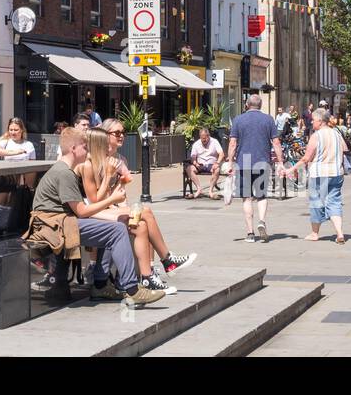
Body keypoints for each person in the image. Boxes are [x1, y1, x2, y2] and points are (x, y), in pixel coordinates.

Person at [25, 125, 166, 307]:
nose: (88, 150)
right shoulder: (64, 173)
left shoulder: (63, 170)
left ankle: (101, 284)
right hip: (54, 227)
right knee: (115, 230)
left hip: (60, 222)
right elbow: (82, 211)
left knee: (116, 225)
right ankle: (132, 290)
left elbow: (81, 210)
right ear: (74, 149)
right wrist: (113, 199)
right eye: (85, 146)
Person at [283, 109, 347, 244]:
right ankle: (340, 233)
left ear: (320, 121)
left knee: (316, 203)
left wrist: (292, 169)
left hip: (320, 174)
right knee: (334, 202)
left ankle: (314, 233)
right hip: (336, 172)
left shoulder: (316, 136)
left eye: (313, 119)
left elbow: (306, 158)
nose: (312, 122)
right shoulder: (337, 134)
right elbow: (344, 150)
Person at [225, 95, 284, 243]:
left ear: (246, 104)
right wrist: (281, 162)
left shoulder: (238, 120)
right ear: (261, 105)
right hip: (262, 161)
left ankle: (250, 234)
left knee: (247, 198)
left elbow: (232, 143)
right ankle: (262, 221)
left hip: (243, 162)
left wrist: (230, 162)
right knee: (262, 196)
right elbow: (276, 143)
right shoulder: (268, 119)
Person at [186, 126, 225, 198]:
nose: (203, 140)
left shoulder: (214, 141)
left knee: (217, 169)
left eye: (205, 138)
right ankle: (199, 189)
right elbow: (193, 157)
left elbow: (221, 154)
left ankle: (210, 191)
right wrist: (195, 163)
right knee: (189, 168)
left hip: (212, 164)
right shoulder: (196, 144)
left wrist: (217, 163)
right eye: (202, 138)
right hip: (200, 164)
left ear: (208, 136)